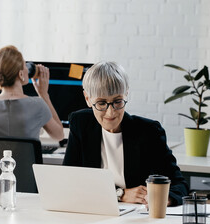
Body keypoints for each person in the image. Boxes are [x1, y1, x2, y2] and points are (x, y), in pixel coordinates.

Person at [63, 61, 188, 206]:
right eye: (102, 103)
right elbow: (70, 181)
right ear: (87, 99)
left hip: (136, 218)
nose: (111, 112)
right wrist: (121, 194)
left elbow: (179, 185)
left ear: (126, 94)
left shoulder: (149, 131)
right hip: (93, 212)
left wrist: (166, 198)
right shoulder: (81, 124)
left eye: (117, 101)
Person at [0, 45, 64, 141]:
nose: (27, 68)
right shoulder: (38, 105)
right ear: (21, 74)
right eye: (24, 65)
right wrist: (43, 94)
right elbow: (59, 135)